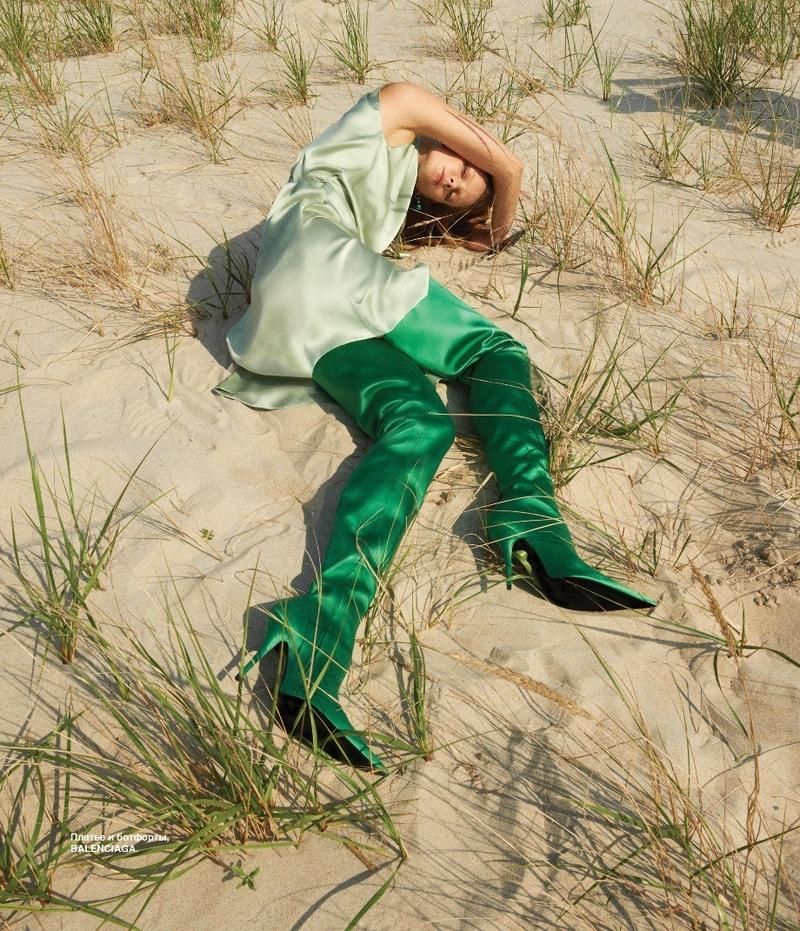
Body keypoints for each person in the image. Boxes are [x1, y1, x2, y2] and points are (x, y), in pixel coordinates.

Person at [215, 81, 655, 772]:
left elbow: (460, 186)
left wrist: (457, 212)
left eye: (454, 194)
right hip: (322, 263)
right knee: (496, 350)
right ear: (456, 134)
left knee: (420, 424)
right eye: (461, 169)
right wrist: (498, 198)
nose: (454, 179)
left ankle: (318, 632)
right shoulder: (391, 109)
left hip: (291, 310)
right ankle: (531, 512)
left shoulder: (378, 201)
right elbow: (508, 164)